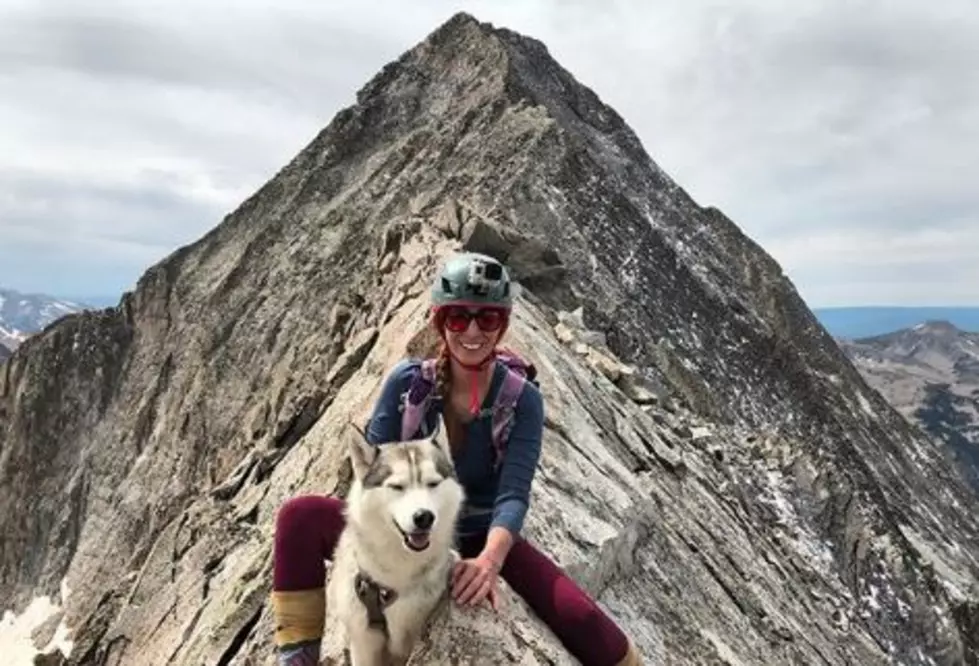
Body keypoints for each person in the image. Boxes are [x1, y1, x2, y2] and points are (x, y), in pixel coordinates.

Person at [270, 252, 643, 666]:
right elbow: (371, 476)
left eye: (486, 319)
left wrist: (488, 562)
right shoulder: (407, 384)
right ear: (439, 321)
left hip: (480, 532)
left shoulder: (522, 401)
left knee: (585, 621)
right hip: (405, 526)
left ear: (502, 325)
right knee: (299, 517)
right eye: (457, 318)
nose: (471, 331)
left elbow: (513, 495)